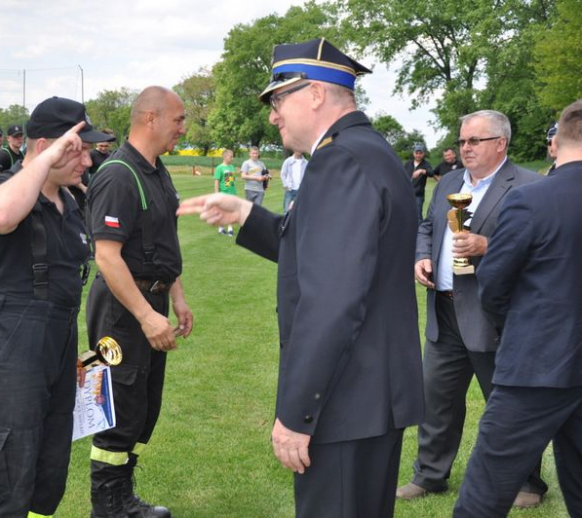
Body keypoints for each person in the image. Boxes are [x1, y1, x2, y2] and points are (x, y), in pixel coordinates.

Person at [178, 38, 424, 518]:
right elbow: (323, 254)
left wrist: (298, 414)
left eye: (278, 99)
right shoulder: (364, 151)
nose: (273, 115)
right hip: (368, 394)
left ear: (314, 94)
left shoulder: (340, 160)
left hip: (345, 398)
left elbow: (331, 300)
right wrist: (246, 213)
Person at [0, 96, 110, 517]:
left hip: (57, 342)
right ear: (47, 146)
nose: (87, 160)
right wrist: (43, 163)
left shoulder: (69, 202)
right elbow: (3, 216)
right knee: (10, 474)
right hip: (9, 346)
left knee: (49, 471)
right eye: (79, 149)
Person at [400, 109, 547, 508]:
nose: (465, 148)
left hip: (495, 316)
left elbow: (541, 249)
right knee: (436, 400)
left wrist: (488, 246)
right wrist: (422, 256)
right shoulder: (448, 180)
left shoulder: (528, 187)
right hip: (443, 311)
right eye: (463, 140)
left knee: (509, 404)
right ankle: (430, 476)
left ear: (500, 143)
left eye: (474, 141)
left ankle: (527, 483)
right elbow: (428, 226)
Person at [453, 99, 582, 518]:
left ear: (556, 143)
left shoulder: (531, 200)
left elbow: (493, 285)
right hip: (547, 359)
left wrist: (523, 327)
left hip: (534, 366)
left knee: (485, 493)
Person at [86, 86, 193, 518]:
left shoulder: (157, 170)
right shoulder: (117, 174)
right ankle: (107, 508)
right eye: (179, 119)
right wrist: (147, 315)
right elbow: (107, 256)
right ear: (150, 118)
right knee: (117, 405)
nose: (184, 128)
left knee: (142, 406)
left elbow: (165, 241)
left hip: (152, 301)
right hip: (121, 309)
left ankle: (122, 499)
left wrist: (177, 298)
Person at [406, 143, 432, 223]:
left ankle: (420, 234)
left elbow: (431, 173)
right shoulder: (408, 164)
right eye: (416, 153)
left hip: (418, 195)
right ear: (413, 153)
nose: (418, 155)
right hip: (407, 194)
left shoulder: (425, 164)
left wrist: (422, 171)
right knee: (407, 214)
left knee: (418, 216)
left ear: (423, 154)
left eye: (420, 153)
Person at [213, 149, 237, 235]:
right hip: (223, 193)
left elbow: (231, 181)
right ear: (225, 157)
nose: (232, 158)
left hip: (232, 193)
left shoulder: (232, 167)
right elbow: (217, 181)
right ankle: (221, 228)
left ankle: (230, 229)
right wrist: (216, 194)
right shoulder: (219, 168)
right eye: (231, 156)